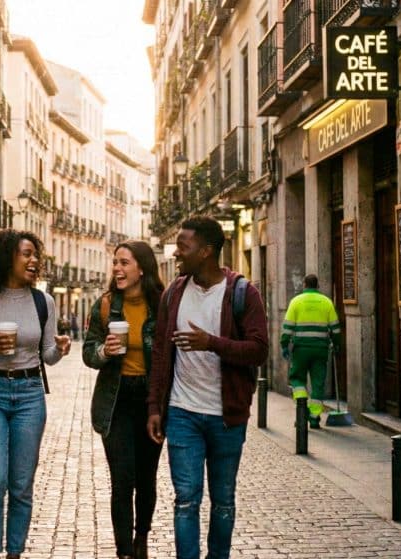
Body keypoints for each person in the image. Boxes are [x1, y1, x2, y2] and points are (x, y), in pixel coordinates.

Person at [146, 216, 269, 559]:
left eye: (183, 247)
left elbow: (260, 350)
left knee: (223, 500)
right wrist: (155, 407)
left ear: (207, 251)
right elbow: (160, 353)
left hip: (226, 416)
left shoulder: (243, 293)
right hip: (182, 412)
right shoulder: (173, 293)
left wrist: (211, 343)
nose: (176, 253)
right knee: (186, 499)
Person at [0, 229, 72, 559]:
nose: (34, 260)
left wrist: (60, 348)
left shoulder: (43, 302)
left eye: (36, 254)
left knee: (21, 485)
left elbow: (47, 354)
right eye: (26, 254)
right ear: (6, 257)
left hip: (30, 394)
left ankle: (15, 553)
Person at [83, 240, 165, 559]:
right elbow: (88, 352)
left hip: (151, 401)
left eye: (124, 263)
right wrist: (104, 351)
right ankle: (124, 551)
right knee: (122, 477)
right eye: (115, 262)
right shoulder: (105, 305)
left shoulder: (161, 305)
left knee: (146, 477)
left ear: (141, 268)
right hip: (116, 399)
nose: (117, 268)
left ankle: (141, 536)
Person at [280, 274, 341, 428]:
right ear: (317, 286)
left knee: (297, 379)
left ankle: (302, 411)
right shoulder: (327, 302)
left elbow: (287, 327)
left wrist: (284, 345)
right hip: (321, 349)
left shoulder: (296, 301)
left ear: (304, 285)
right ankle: (314, 417)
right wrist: (337, 344)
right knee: (318, 383)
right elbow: (335, 328)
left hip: (301, 349)